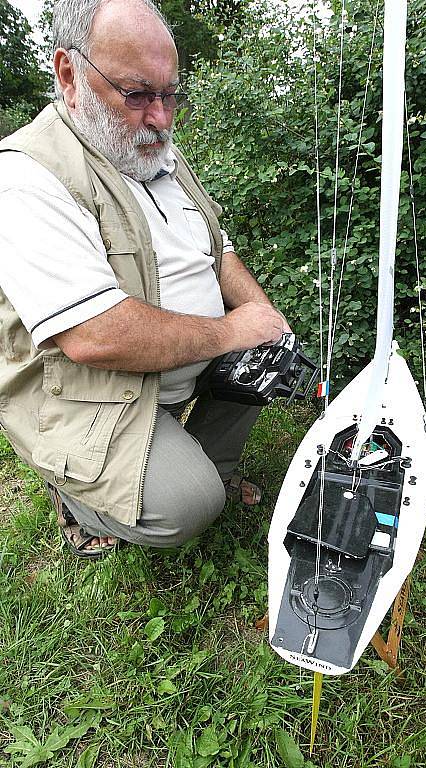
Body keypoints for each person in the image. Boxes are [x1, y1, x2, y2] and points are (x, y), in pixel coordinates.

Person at [0, 0, 288, 558]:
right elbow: (94, 336)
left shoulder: (151, 148)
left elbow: (216, 250)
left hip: (168, 366)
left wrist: (265, 322)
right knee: (187, 506)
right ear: (69, 74)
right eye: (136, 95)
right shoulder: (25, 175)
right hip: (87, 392)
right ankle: (83, 502)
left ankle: (204, 464)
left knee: (266, 358)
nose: (159, 117)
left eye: (170, 94)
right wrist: (234, 333)